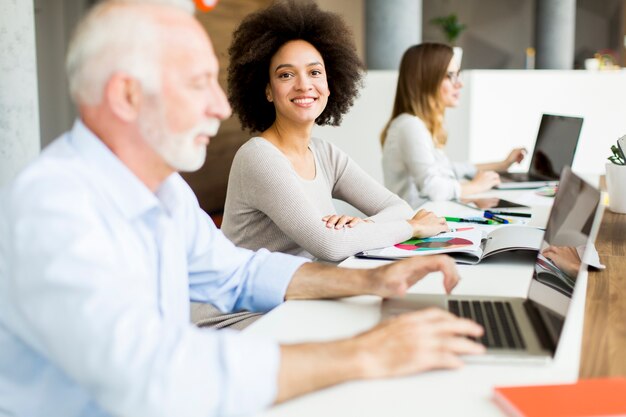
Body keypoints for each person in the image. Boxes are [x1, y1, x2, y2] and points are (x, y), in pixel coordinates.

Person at [0, 1, 486, 416]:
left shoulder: (166, 191)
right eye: (197, 83)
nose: (218, 105)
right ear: (126, 95)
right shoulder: (55, 207)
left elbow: (238, 274)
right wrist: (363, 355)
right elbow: (147, 375)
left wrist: (369, 280)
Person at [221, 1, 448, 262]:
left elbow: (399, 208)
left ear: (330, 84)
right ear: (268, 90)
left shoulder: (324, 153)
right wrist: (412, 228)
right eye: (286, 75)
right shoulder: (259, 157)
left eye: (315, 72)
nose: (304, 85)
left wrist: (362, 227)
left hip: (299, 293)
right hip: (251, 303)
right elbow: (330, 246)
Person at [381, 43, 526, 205]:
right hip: (416, 223)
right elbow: (433, 188)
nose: (460, 84)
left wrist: (503, 164)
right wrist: (474, 186)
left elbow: (450, 169)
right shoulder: (409, 126)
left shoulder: (420, 125)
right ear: (426, 79)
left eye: (458, 74)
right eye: (450, 75)